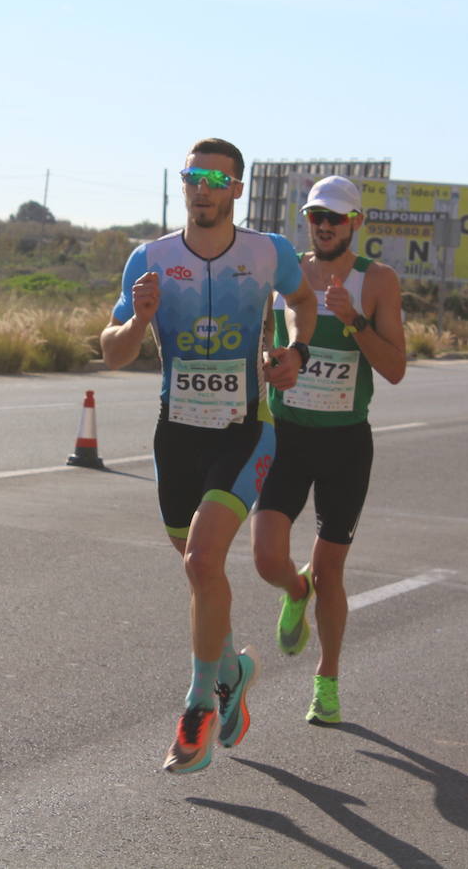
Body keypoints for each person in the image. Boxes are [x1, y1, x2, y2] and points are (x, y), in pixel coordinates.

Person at [100, 138, 317, 774]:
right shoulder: (152, 258)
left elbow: (302, 304)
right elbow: (111, 352)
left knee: (202, 559)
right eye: (193, 176)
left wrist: (296, 352)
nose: (202, 188)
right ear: (184, 184)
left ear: (236, 190)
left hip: (246, 429)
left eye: (216, 179)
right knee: (199, 571)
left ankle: (198, 706)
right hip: (177, 435)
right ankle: (233, 673)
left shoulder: (267, 253)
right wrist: (138, 320)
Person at [250, 176, 406, 727]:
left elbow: (394, 369)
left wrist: (355, 320)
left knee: (333, 572)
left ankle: (328, 680)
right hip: (286, 436)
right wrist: (267, 362)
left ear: (355, 224)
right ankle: (296, 589)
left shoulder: (377, 282)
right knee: (267, 558)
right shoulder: (284, 271)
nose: (325, 225)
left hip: (344, 443)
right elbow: (259, 339)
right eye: (317, 215)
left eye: (336, 218)